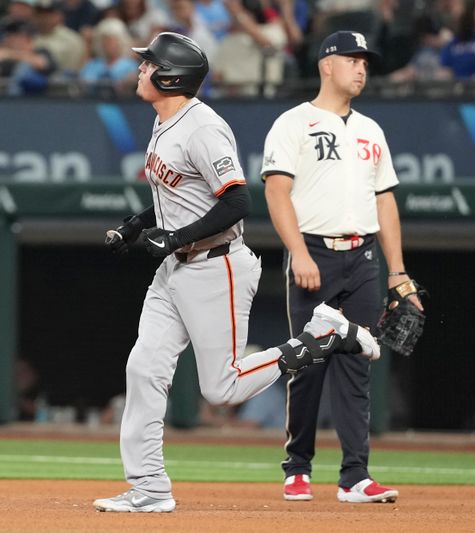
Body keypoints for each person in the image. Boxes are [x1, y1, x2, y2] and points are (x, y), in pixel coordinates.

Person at [92, 31, 380, 513]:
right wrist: (137, 224)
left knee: (221, 388)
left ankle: (321, 338)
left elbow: (238, 198)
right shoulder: (166, 121)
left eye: (148, 64)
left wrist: (176, 237)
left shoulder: (202, 127)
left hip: (216, 265)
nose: (140, 69)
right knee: (142, 369)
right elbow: (179, 193)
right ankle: (150, 488)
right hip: (176, 270)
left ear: (170, 76)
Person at [261, 30, 422, 504]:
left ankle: (354, 476)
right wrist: (301, 253)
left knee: (357, 362)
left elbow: (385, 200)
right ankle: (298, 467)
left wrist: (398, 271)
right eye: (353, 59)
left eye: (366, 62)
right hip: (315, 250)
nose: (362, 68)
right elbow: (276, 192)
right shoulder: (293, 123)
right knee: (309, 362)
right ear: (326, 64)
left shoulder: (372, 130)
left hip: (364, 257)